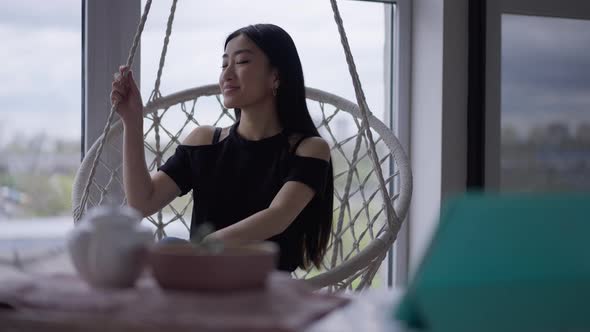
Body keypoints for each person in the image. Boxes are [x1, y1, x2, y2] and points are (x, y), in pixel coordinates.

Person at [110, 24, 334, 272]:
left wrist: (206, 246)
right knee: (163, 251)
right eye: (224, 63)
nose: (226, 74)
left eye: (242, 61)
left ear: (276, 76)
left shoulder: (308, 149)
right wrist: (132, 121)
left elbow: (278, 216)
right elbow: (141, 203)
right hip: (204, 278)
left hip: (264, 287)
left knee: (167, 252)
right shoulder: (204, 141)